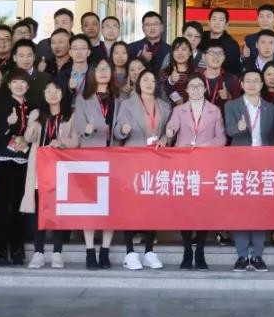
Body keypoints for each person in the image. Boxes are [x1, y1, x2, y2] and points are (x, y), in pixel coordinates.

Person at [163, 76, 226, 270]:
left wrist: (202, 147)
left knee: (203, 209)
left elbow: (221, 139)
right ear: (187, 90)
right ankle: (187, 249)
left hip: (206, 166)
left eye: (199, 86)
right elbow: (172, 127)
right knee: (185, 209)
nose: (196, 89)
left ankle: (200, 250)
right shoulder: (179, 110)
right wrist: (169, 132)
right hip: (184, 166)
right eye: (192, 86)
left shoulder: (214, 110)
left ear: (204, 89)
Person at [113, 69, 170, 271]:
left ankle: (149, 251)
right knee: (132, 206)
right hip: (133, 161)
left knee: (152, 206)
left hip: (156, 161)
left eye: (152, 80)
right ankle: (130, 252)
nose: (149, 83)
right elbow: (117, 130)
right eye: (145, 79)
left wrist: (165, 138)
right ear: (138, 83)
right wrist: (123, 130)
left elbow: (168, 131)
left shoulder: (164, 105)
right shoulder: (127, 104)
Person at [224, 69, 274, 271]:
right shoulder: (232, 106)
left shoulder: (270, 108)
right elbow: (229, 131)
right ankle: (241, 255)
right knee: (240, 209)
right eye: (248, 81)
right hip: (240, 164)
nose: (252, 84)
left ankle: (257, 255)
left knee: (260, 209)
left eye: (256, 81)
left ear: (262, 85)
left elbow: (273, 137)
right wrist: (238, 128)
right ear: (242, 84)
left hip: (263, 164)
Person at [26, 81, 81, 270]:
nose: (52, 94)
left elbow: (76, 141)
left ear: (62, 93)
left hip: (60, 168)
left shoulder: (70, 115)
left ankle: (57, 252)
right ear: (43, 94)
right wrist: (33, 124)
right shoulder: (37, 114)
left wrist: (62, 142)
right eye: (48, 90)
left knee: (59, 211)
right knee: (40, 211)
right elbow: (28, 138)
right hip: (39, 168)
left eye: (56, 90)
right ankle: (38, 252)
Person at [0, 71, 38, 266]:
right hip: (5, 159)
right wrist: (8, 125)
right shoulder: (1, 104)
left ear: (28, 86)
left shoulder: (32, 107)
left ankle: (17, 251)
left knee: (19, 207)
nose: (19, 85)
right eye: (15, 82)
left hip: (24, 162)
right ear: (9, 85)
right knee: (2, 206)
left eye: (22, 82)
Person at [73, 59, 119, 269]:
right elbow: (79, 126)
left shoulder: (119, 98)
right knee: (90, 206)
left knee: (110, 206)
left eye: (106, 69)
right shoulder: (83, 99)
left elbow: (121, 125)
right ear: (92, 73)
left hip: (114, 157)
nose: (103, 72)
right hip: (90, 157)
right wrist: (87, 129)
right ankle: (90, 250)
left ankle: (105, 251)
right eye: (99, 69)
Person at [242, 4, 274, 69]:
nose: (264, 20)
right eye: (261, 16)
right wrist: (244, 56)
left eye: (268, 16)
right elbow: (245, 64)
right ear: (257, 19)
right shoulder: (249, 39)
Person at [200, 41, 241, 117]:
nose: (216, 57)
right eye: (212, 53)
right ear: (204, 56)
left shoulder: (233, 79)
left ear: (224, 57)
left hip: (222, 122)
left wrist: (229, 97)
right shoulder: (196, 77)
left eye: (219, 53)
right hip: (197, 122)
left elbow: (239, 108)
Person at [200, 7, 242, 76]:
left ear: (226, 25)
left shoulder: (232, 45)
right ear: (208, 22)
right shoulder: (200, 38)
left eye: (221, 20)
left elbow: (233, 70)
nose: (217, 23)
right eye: (214, 19)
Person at [160, 36, 199, 105]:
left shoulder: (197, 72)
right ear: (172, 53)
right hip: (170, 109)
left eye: (183, 49)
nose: (180, 53)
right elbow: (165, 88)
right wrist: (170, 80)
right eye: (176, 49)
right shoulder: (165, 72)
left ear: (190, 52)